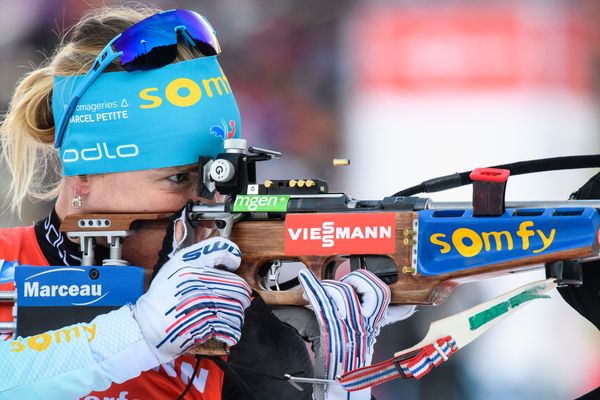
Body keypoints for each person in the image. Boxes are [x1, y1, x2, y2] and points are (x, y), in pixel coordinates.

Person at [0, 5, 414, 400]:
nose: (206, 209)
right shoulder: (7, 262)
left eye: (216, 179)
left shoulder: (226, 315)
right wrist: (140, 334)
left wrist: (341, 388)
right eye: (177, 178)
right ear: (85, 174)